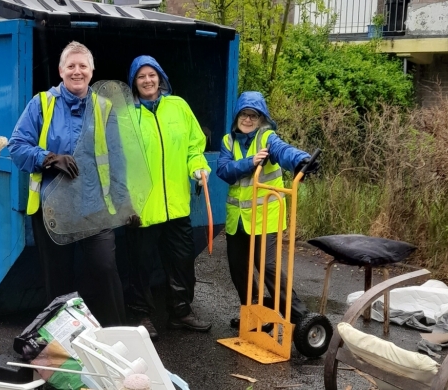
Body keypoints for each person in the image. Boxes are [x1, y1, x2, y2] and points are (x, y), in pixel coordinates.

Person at [8, 41, 127, 327]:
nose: (77, 71)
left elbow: (117, 157)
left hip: (94, 208)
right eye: (71, 66)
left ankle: (115, 337)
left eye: (82, 66)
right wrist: (48, 158)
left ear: (92, 70)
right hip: (53, 210)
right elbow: (16, 146)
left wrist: (125, 202)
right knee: (58, 281)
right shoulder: (42, 103)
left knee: (104, 269)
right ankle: (64, 346)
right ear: (61, 71)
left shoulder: (104, 107)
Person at [124, 55, 213, 340]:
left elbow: (194, 146)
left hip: (176, 205)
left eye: (152, 75)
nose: (148, 81)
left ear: (160, 77)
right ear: (134, 83)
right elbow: (116, 159)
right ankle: (141, 316)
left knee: (183, 260)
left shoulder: (179, 107)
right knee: (140, 266)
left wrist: (198, 166)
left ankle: (180, 312)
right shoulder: (126, 115)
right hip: (142, 209)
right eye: (141, 77)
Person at [215, 91, 318, 329]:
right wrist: (250, 163)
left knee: (268, 267)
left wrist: (301, 160)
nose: (248, 119)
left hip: (265, 218)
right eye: (244, 114)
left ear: (262, 119)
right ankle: (254, 314)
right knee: (238, 267)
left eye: (254, 115)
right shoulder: (228, 141)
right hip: (237, 220)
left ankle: (301, 319)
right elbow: (224, 171)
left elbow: (284, 151)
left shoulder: (267, 138)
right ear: (237, 117)